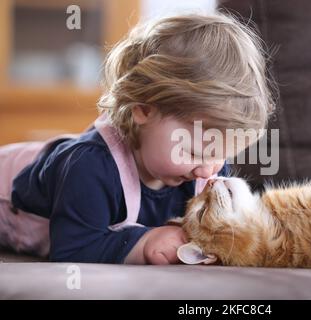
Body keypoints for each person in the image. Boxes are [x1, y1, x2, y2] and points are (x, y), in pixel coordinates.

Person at [0, 13, 276, 265]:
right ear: (143, 110)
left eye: (220, 154)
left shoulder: (207, 169)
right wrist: (144, 242)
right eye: (192, 153)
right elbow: (72, 251)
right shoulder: (89, 169)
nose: (208, 170)